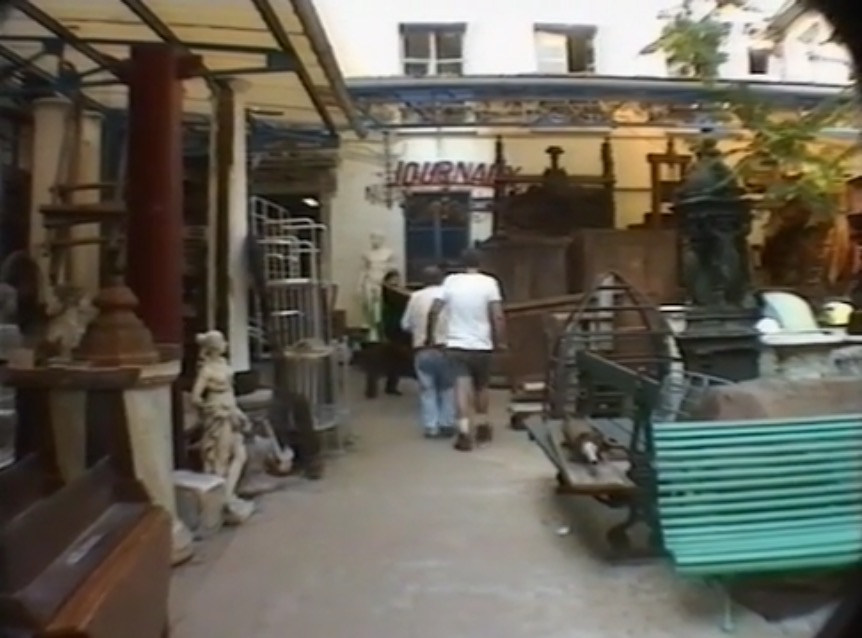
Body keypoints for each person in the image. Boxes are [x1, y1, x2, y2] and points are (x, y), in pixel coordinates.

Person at [426, 248, 506, 452]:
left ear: (461, 263)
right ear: (481, 262)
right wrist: (500, 341)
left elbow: (434, 310)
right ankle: (482, 426)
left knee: (461, 388)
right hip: (482, 345)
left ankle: (463, 432)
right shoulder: (489, 283)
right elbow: (497, 316)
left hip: (456, 344)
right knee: (482, 387)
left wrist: (431, 336)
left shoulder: (451, 281)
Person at [401, 265, 455, 439]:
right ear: (441, 279)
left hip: (422, 349)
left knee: (427, 389)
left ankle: (431, 426)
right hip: (446, 347)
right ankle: (447, 423)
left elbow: (405, 325)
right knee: (447, 387)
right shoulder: (449, 296)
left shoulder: (415, 297)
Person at [364, 269, 410, 398]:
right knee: (378, 360)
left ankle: (390, 386)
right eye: (393, 280)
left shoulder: (396, 293)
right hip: (383, 329)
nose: (396, 282)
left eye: (397, 279)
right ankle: (373, 389)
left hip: (396, 331)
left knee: (394, 360)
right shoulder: (383, 293)